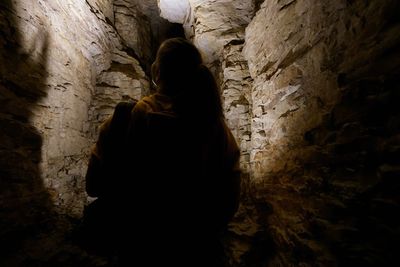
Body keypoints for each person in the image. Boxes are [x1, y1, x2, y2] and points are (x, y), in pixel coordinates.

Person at [83, 37, 241, 267]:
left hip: (138, 248)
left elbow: (94, 184)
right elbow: (228, 203)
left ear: (156, 71)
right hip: (196, 250)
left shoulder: (125, 117)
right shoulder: (215, 128)